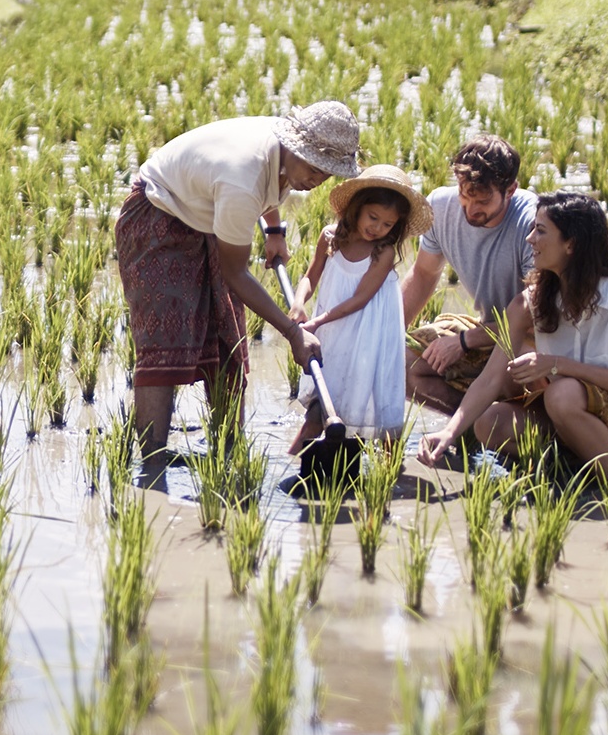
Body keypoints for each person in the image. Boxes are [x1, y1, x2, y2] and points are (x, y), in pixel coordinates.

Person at [114, 100, 362, 465]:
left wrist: (274, 230)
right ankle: (152, 459)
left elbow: (269, 182)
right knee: (163, 341)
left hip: (207, 213)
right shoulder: (241, 177)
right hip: (159, 215)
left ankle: (228, 451)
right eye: (312, 167)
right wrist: (293, 333)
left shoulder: (279, 155)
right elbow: (235, 272)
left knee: (227, 335)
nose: (315, 180)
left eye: (326, 173)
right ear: (293, 146)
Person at [414, 190, 608, 481]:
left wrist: (556, 364)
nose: (530, 239)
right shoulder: (528, 303)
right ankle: (576, 469)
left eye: (540, 231)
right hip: (568, 413)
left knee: (561, 393)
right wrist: (449, 432)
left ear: (571, 244)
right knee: (490, 423)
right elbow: (490, 380)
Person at [286, 164, 430, 450]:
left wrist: (317, 322)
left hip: (369, 335)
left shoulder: (383, 252)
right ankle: (293, 460)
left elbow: (360, 299)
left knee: (372, 399)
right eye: (373, 217)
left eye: (387, 224)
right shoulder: (331, 237)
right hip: (333, 331)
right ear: (357, 208)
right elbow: (310, 275)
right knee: (320, 405)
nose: (377, 228)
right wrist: (299, 303)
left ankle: (389, 472)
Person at [402, 135, 537, 415]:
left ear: (510, 190)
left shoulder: (533, 224)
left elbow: (534, 320)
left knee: (518, 368)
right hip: (486, 328)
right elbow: (424, 275)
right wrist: (386, 334)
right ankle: (470, 429)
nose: (471, 210)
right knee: (401, 364)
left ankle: (508, 426)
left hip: (531, 339)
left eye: (483, 201)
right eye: (465, 195)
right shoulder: (439, 207)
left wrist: (464, 342)